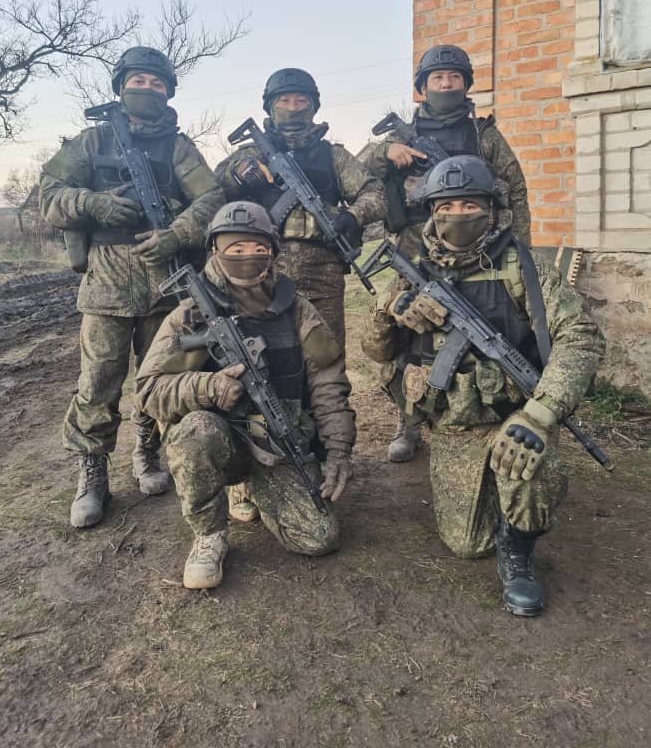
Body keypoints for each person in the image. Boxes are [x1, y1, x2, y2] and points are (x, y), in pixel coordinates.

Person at [361, 156, 604, 616]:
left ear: (491, 210)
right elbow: (374, 352)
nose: (458, 214)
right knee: (467, 544)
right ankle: (491, 494)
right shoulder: (413, 269)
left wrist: (542, 413)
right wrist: (391, 308)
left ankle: (519, 549)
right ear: (432, 211)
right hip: (453, 425)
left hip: (513, 413)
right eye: (447, 205)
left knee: (532, 467)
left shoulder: (523, 266)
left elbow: (581, 337)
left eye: (470, 204)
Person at [39, 45, 224, 528]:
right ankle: (92, 473)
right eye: (137, 81)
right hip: (105, 287)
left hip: (166, 285)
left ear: (168, 91)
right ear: (121, 86)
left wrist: (177, 235)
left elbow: (211, 197)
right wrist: (92, 203)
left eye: (156, 82)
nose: (146, 89)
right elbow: (48, 196)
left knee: (159, 376)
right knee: (97, 383)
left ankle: (149, 453)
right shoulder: (90, 142)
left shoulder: (179, 148)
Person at [135, 201, 355, 589]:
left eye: (258, 248)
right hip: (219, 438)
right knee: (196, 429)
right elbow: (149, 390)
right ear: (215, 252)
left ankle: (249, 486)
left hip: (276, 441)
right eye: (235, 249)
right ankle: (209, 535)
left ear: (272, 253)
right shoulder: (189, 316)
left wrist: (338, 450)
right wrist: (207, 386)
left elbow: (328, 381)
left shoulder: (296, 309)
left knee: (319, 537)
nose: (247, 257)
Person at [362, 44, 533, 462]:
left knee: (471, 330)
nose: (446, 84)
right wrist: (385, 153)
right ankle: (408, 422)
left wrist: (518, 250)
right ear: (423, 87)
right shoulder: (399, 136)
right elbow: (360, 169)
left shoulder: (484, 135)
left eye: (454, 77)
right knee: (407, 334)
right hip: (415, 250)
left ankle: (472, 411)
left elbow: (516, 192)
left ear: (466, 84)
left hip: (477, 252)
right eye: (438, 78)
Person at [215, 67, 386, 351]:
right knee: (267, 360)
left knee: (326, 358)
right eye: (284, 101)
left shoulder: (334, 156)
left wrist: (353, 215)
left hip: (323, 276)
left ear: (313, 107)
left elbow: (375, 193)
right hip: (259, 275)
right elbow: (216, 184)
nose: (293, 108)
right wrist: (240, 172)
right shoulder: (252, 151)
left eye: (301, 101)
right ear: (270, 106)